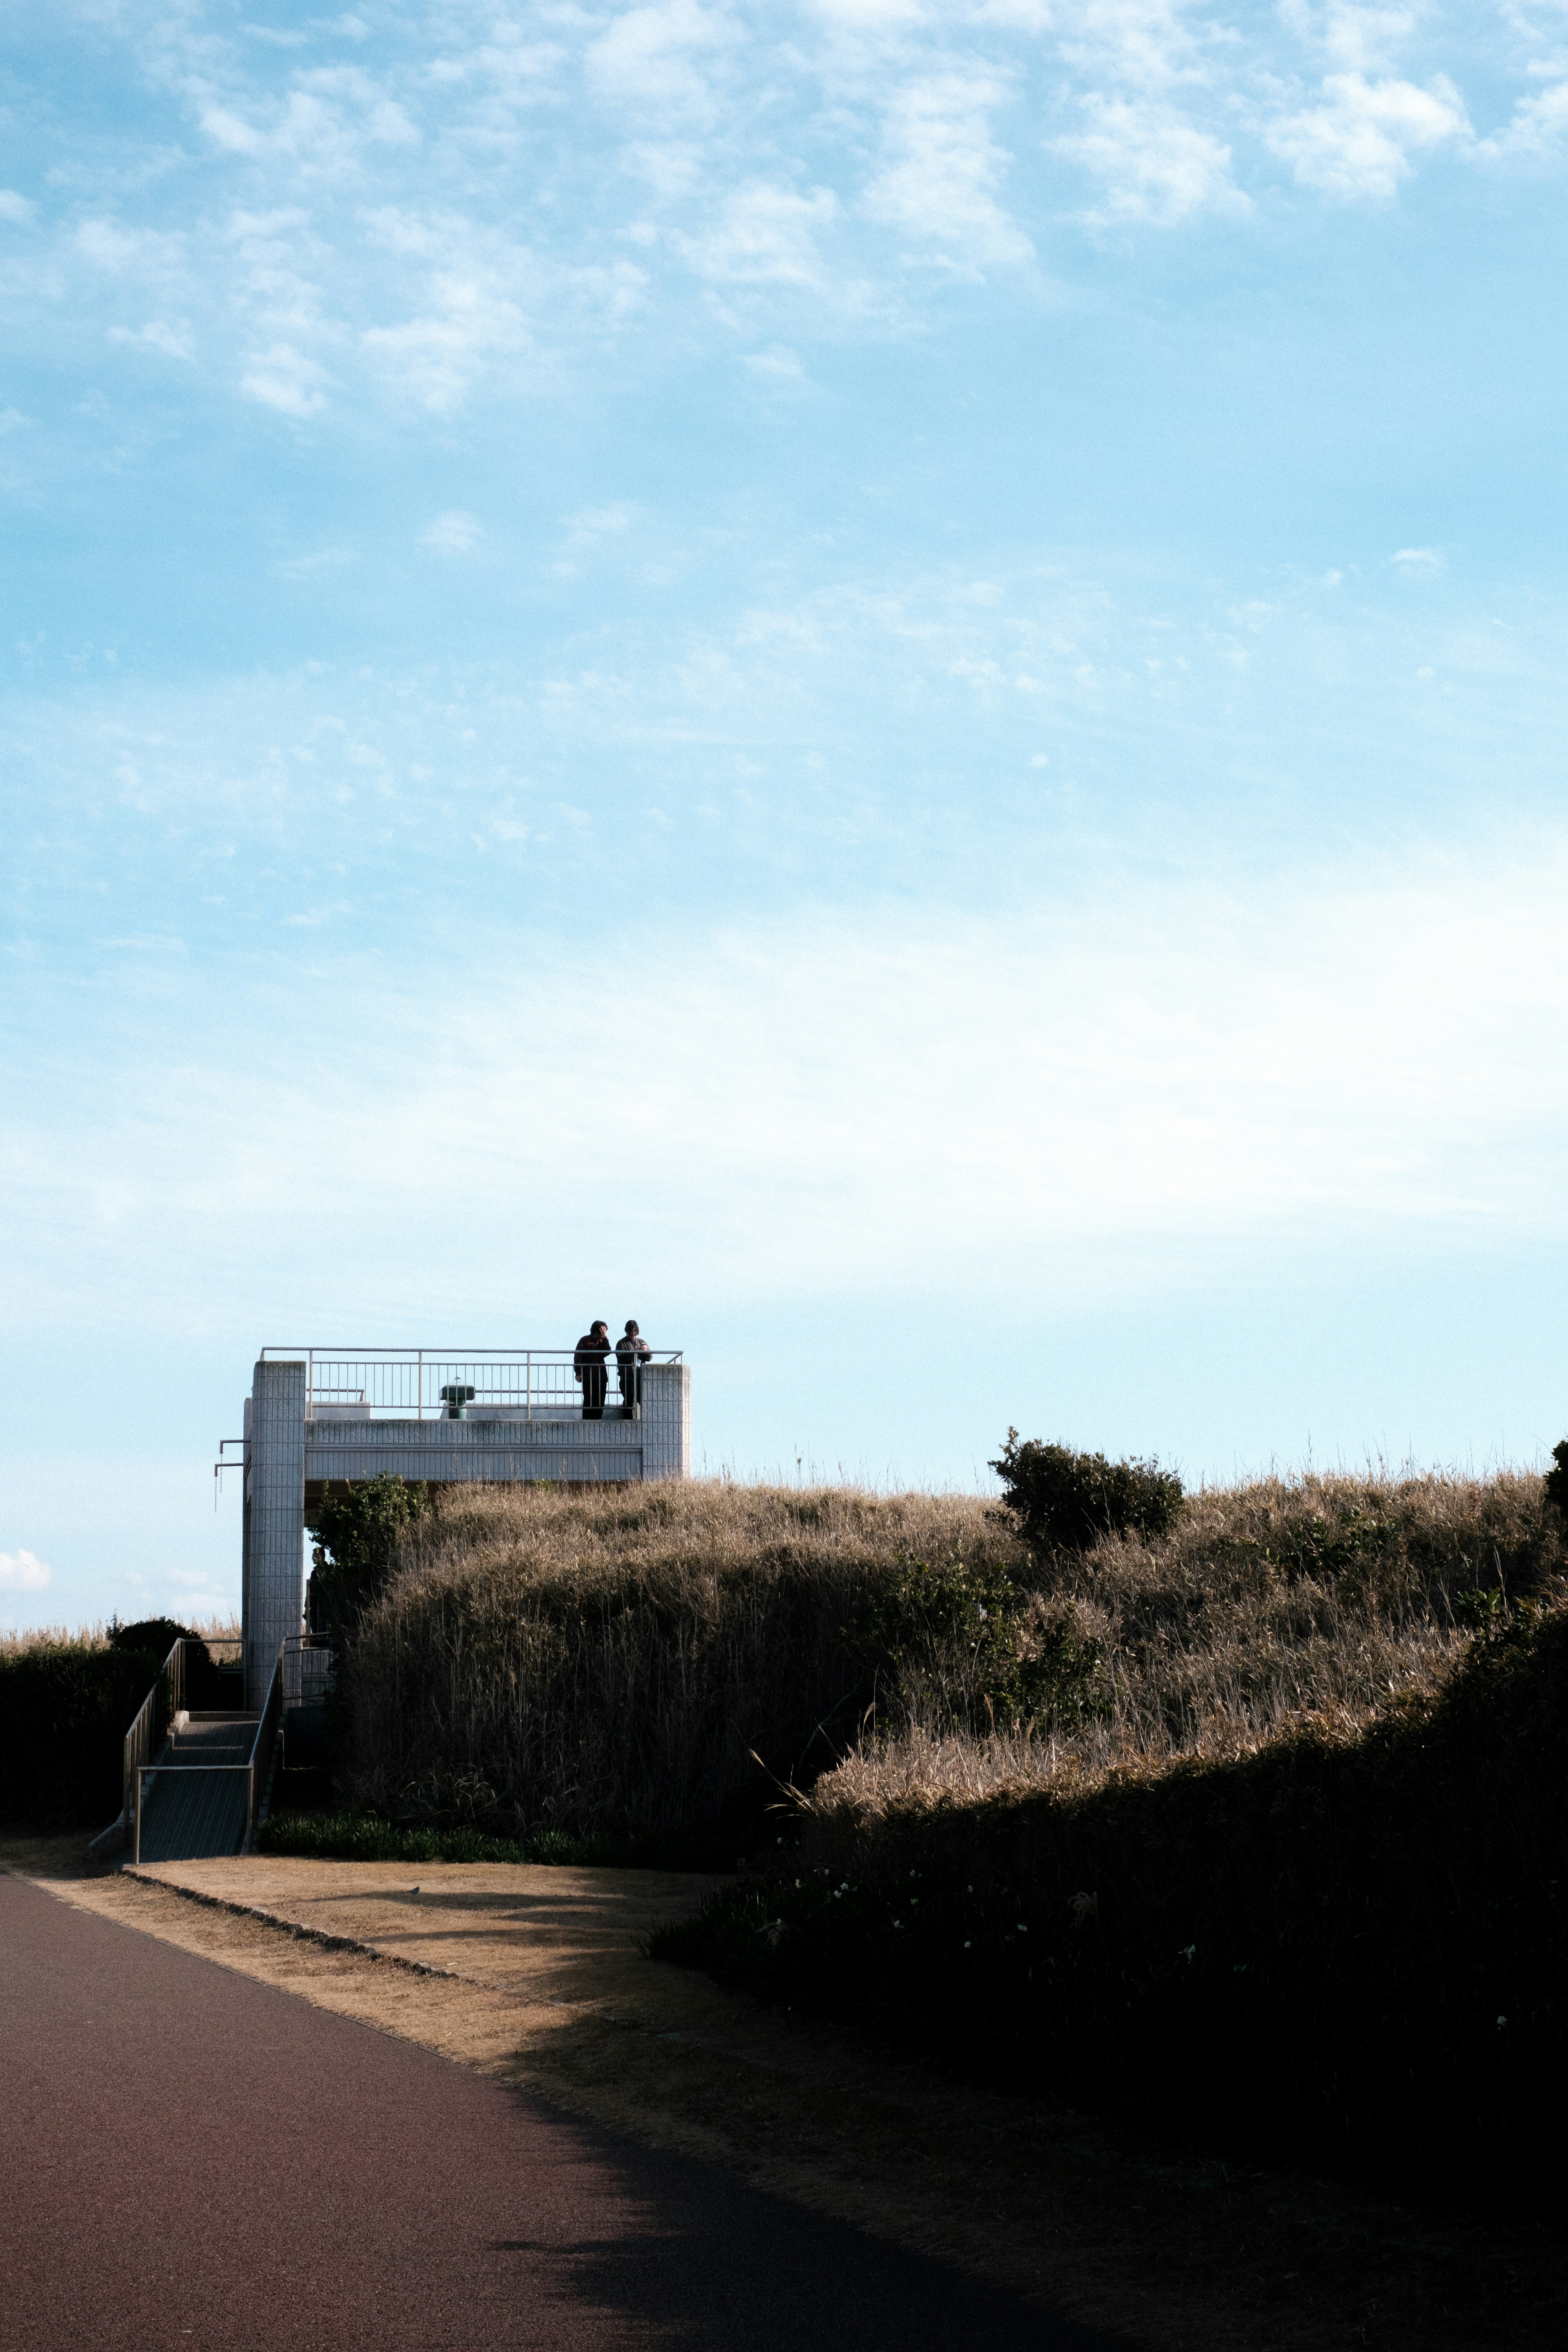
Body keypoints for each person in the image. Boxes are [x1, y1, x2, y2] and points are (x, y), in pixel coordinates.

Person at [573, 1321, 611, 1419]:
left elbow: (607, 1352)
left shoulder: (602, 1341)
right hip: (588, 1376)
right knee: (589, 1400)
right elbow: (578, 1356)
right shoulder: (585, 1340)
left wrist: (605, 1337)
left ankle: (598, 1421)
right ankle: (587, 1421)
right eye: (602, 1332)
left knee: (600, 1400)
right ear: (596, 1331)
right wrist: (578, 1372)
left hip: (601, 1376)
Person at [616, 1320, 652, 1413]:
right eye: (631, 1331)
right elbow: (621, 1358)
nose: (633, 1334)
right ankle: (627, 1421)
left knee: (642, 1399)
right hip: (627, 1378)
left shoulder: (641, 1342)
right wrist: (634, 1351)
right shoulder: (621, 1343)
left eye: (635, 1331)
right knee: (629, 1400)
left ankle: (643, 1419)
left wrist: (646, 1350)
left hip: (640, 1376)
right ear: (627, 1331)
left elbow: (650, 1358)